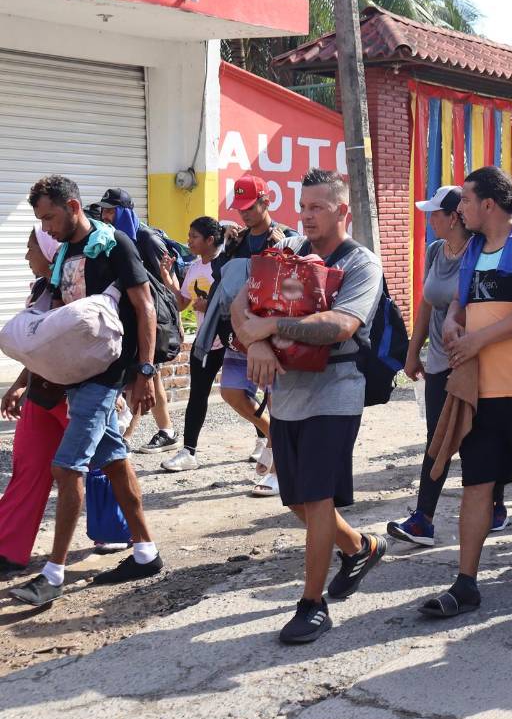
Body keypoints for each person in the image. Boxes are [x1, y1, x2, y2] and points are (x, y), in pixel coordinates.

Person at [231, 168, 387, 643]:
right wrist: (256, 345)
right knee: (297, 500)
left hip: (336, 390)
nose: (306, 216)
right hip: (287, 393)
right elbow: (240, 308)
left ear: (342, 211)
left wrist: (270, 326)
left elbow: (340, 325)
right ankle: (361, 547)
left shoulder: (362, 264)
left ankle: (311, 604)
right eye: (303, 207)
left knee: (317, 498)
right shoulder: (289, 251)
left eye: (316, 208)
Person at [417, 166, 512, 619]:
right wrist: (452, 324)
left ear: (488, 204)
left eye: (464, 199)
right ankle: (466, 581)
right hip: (480, 391)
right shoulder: (471, 252)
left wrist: (478, 340)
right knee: (476, 483)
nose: (458, 207)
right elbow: (459, 306)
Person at [9, 175, 164, 606]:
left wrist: (145, 371)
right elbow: (55, 323)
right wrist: (27, 378)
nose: (48, 227)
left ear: (73, 206)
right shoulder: (63, 256)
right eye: (42, 219)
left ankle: (53, 575)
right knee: (114, 461)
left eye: (51, 217)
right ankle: (147, 551)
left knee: (67, 467)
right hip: (73, 373)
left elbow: (144, 306)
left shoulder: (113, 243)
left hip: (106, 374)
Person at [388, 185, 507, 546]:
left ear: (455, 217)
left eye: (435, 214)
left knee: (483, 435)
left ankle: (495, 504)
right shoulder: (436, 250)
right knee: (436, 438)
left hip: (476, 358)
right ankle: (423, 519)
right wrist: (413, 352)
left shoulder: (482, 251)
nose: (430, 220)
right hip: (439, 358)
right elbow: (426, 303)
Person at [217, 175, 297, 496]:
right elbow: (221, 281)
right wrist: (226, 248)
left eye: (250, 207)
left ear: (266, 202)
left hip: (272, 334)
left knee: (278, 401)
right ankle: (271, 438)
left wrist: (283, 250)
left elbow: (298, 283)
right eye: (240, 208)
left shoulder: (288, 237)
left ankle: (279, 470)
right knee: (231, 392)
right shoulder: (238, 239)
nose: (244, 214)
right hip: (239, 331)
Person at [0, 230, 67, 571]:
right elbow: (36, 346)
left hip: (73, 392)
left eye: (30, 248)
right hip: (42, 392)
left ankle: (117, 534)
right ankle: (8, 549)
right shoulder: (41, 288)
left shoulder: (73, 285)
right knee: (28, 467)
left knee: (102, 467)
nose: (27, 255)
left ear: (49, 251)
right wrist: (17, 385)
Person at [95, 187, 180, 455]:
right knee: (150, 376)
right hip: (130, 316)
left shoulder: (146, 239)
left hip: (150, 317)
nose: (106, 216)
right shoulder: (111, 239)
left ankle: (127, 434)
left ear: (125, 212)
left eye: (112, 210)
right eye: (104, 210)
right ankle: (166, 430)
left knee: (143, 374)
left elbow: (166, 283)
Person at [159, 217, 233, 471]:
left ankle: (262, 440)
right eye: (189, 236)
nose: (188, 241)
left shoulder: (226, 265)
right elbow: (182, 303)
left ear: (210, 240)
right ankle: (189, 451)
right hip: (204, 341)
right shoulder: (193, 268)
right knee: (197, 395)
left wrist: (212, 305)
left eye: (194, 237)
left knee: (242, 393)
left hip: (229, 340)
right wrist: (168, 278)